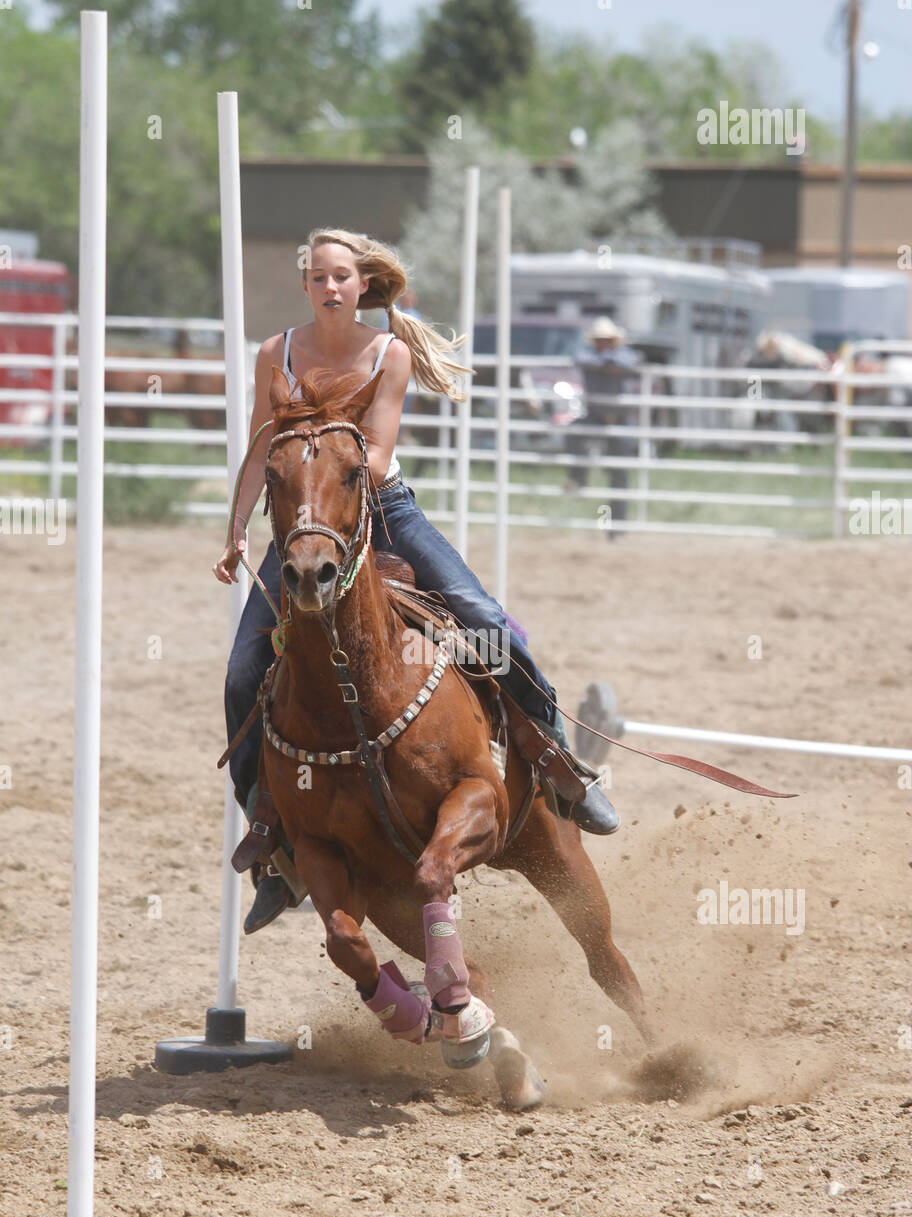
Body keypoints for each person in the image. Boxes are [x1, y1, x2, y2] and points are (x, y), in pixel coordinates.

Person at [213, 228, 619, 933]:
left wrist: (327, 480)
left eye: (342, 276)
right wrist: (237, 529)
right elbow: (258, 451)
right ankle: (269, 827)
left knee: (482, 618)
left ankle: (559, 763)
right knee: (244, 670)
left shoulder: (388, 353)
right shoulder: (273, 355)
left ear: (364, 284)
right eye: (318, 277)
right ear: (306, 285)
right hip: (306, 519)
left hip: (375, 505)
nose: (330, 287)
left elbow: (374, 457)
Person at [570, 317, 641, 523]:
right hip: (596, 415)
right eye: (600, 339)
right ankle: (578, 478)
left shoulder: (622, 355)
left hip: (619, 418)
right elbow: (579, 359)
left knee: (619, 472)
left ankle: (617, 524)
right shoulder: (589, 354)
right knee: (573, 434)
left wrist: (607, 362)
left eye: (607, 339)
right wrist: (606, 363)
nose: (603, 343)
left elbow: (632, 361)